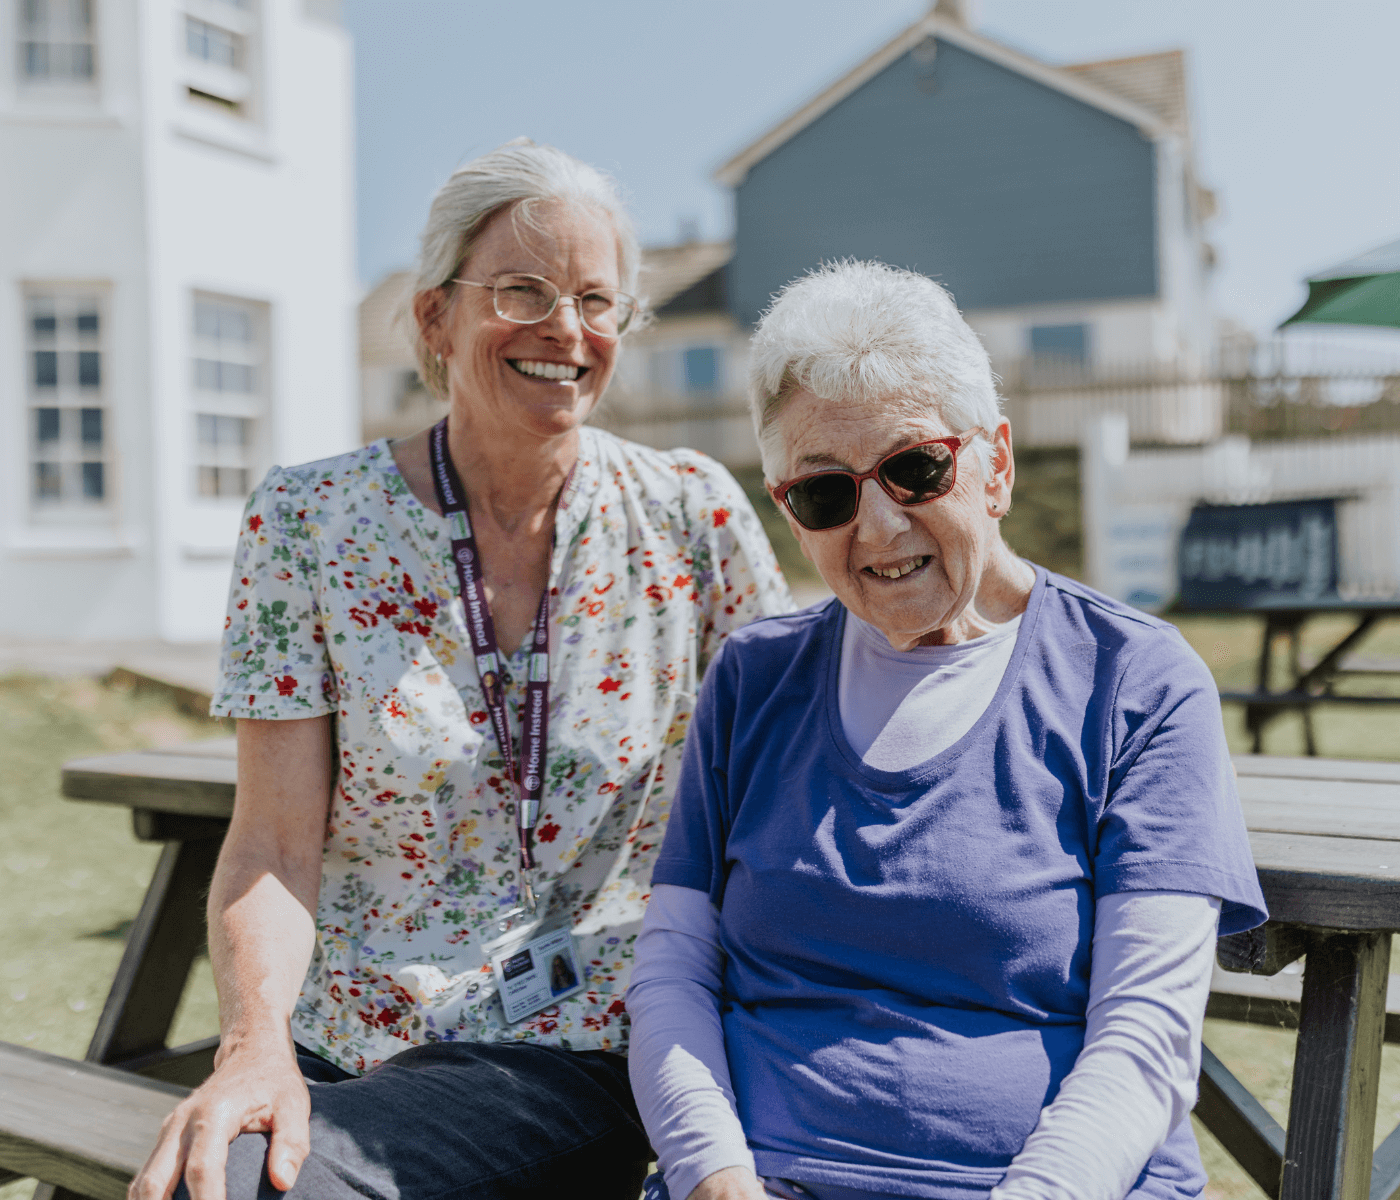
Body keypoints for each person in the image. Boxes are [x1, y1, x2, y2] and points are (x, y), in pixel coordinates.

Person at [130, 140, 792, 1200]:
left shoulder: (690, 513)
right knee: (217, 1169)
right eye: (521, 291)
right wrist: (251, 1045)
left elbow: (793, 773)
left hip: (578, 1045)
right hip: (343, 1038)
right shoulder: (309, 521)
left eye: (593, 300)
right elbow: (269, 843)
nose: (565, 331)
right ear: (434, 318)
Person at [626, 260, 1267, 1200]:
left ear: (995, 464)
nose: (879, 527)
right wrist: (713, 1174)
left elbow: (1146, 1036)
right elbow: (673, 975)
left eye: (915, 468)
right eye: (826, 493)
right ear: (787, 512)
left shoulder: (1135, 679)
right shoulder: (755, 679)